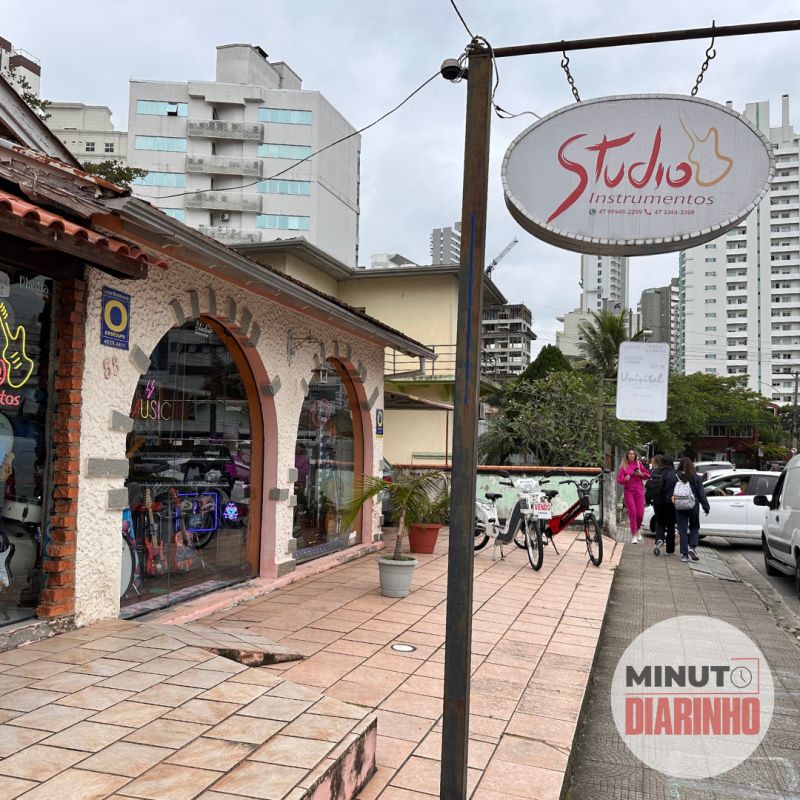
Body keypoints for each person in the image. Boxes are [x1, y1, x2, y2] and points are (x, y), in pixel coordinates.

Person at [666, 456, 710, 562]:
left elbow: (670, 494)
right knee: (694, 526)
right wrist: (706, 507)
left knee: (682, 530)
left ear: (680, 465)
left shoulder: (675, 477)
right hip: (693, 506)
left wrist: (674, 502)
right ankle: (692, 547)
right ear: (692, 465)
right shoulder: (696, 477)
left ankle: (684, 555)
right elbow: (701, 494)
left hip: (679, 506)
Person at [617, 448, 650, 543]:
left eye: (633, 454)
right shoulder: (624, 466)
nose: (632, 455)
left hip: (639, 491)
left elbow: (647, 475)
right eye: (630, 454)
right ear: (627, 455)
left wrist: (640, 474)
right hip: (629, 492)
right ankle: (634, 535)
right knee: (632, 513)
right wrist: (625, 479)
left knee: (640, 514)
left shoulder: (639, 464)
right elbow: (619, 480)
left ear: (635, 455)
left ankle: (638, 529)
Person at [648, 454, 677, 555]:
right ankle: (670, 549)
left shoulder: (655, 471)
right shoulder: (674, 473)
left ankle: (659, 539)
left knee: (660, 522)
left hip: (658, 501)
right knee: (671, 525)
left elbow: (651, 486)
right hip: (670, 502)